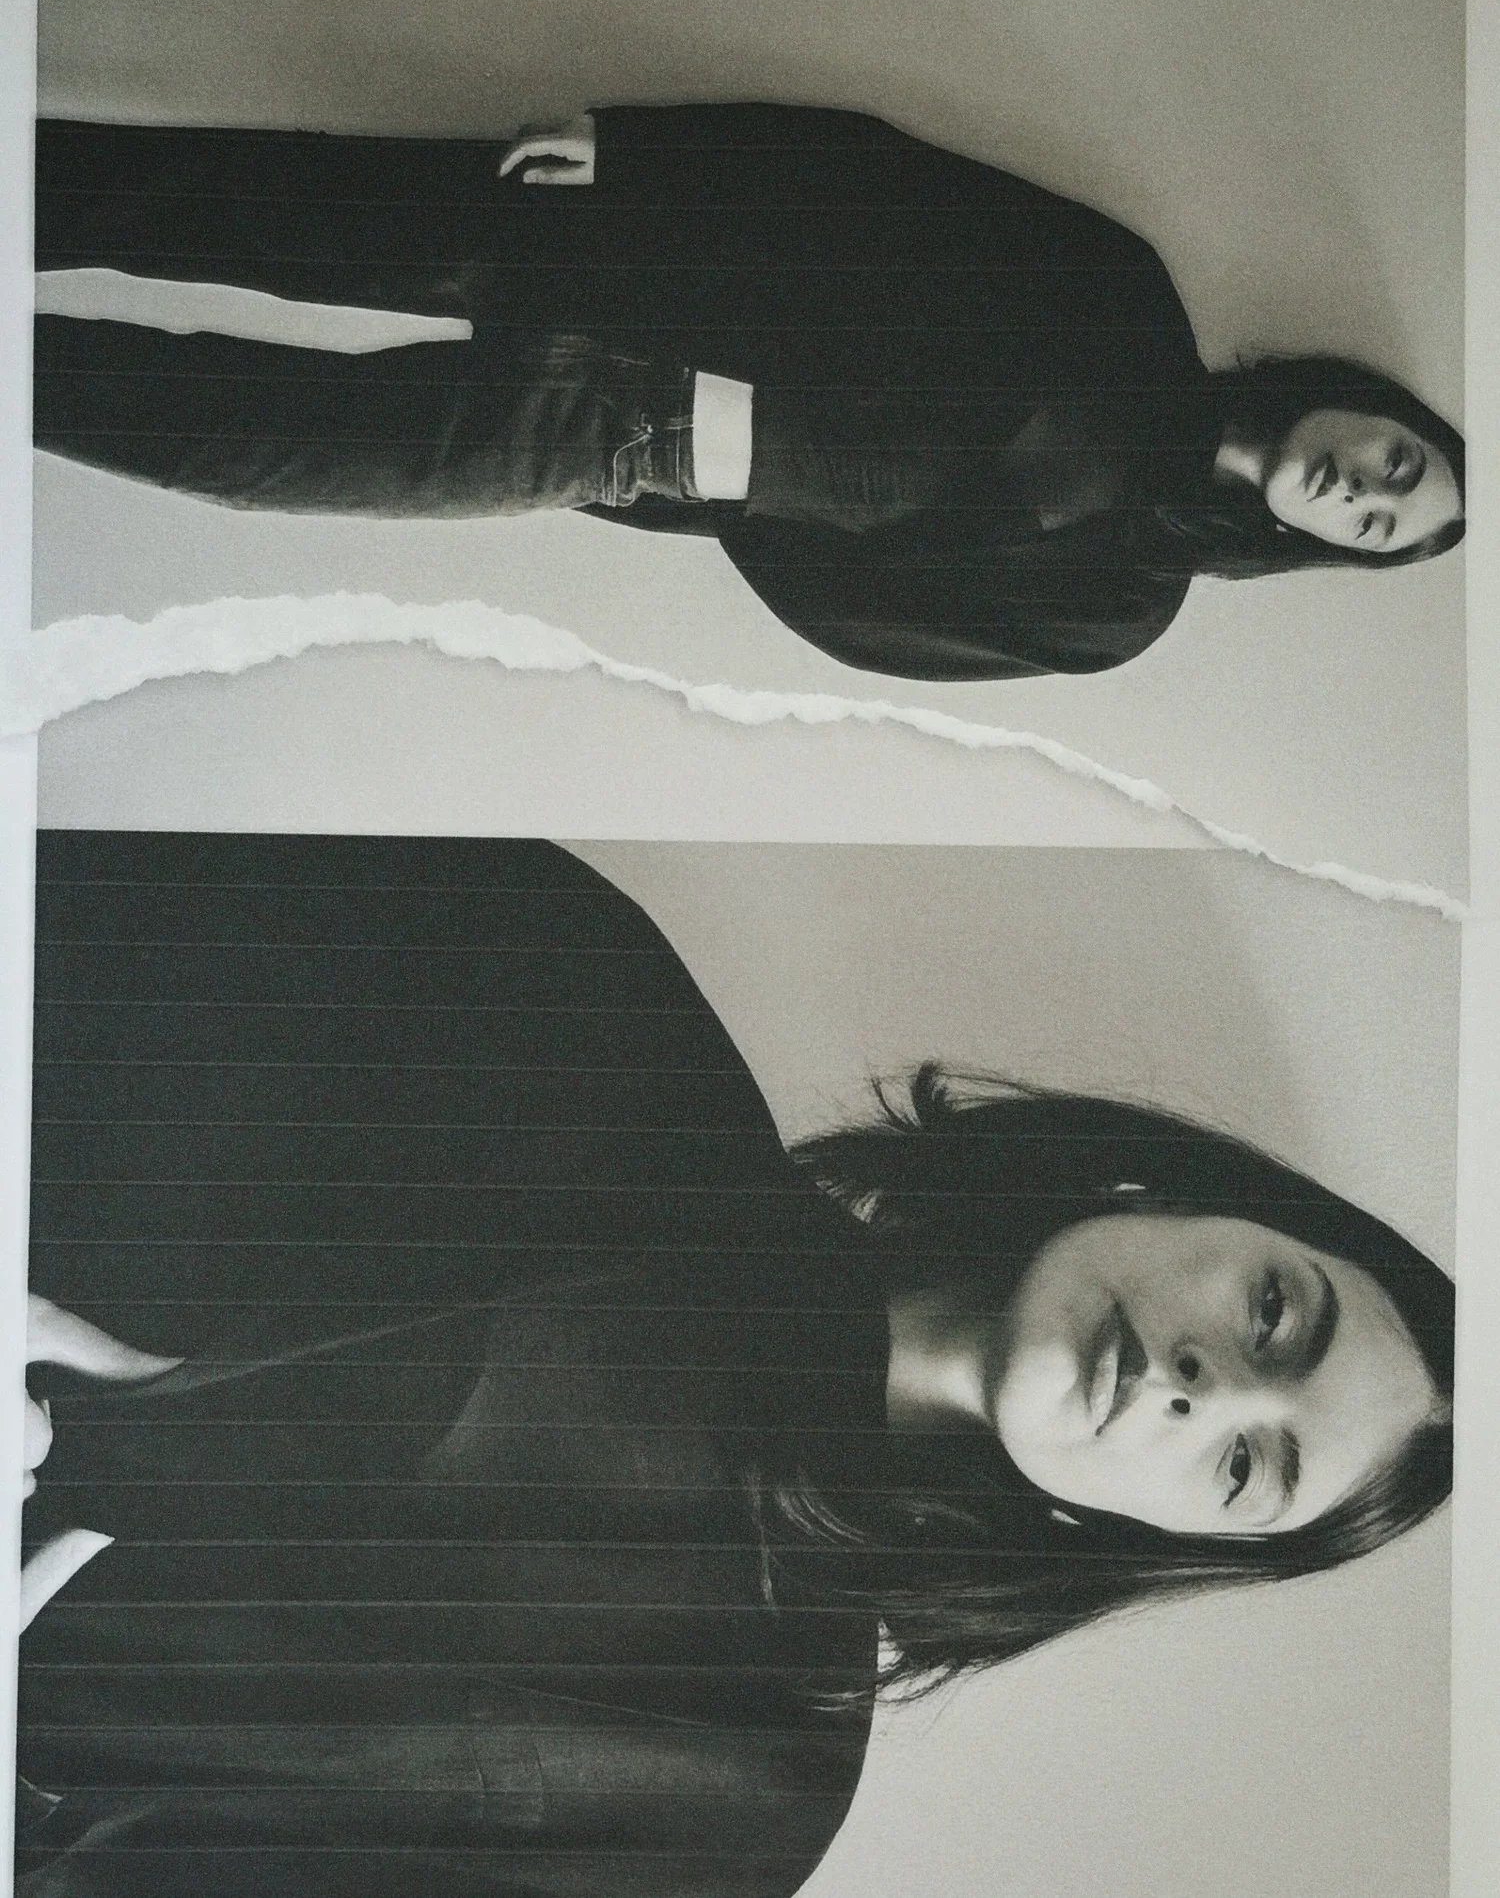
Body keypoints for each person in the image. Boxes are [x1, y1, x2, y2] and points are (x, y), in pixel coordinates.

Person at [17, 835, 1454, 1895]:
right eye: (1278, 1311)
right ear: (1165, 1195)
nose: (1211, 1384)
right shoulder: (562, 975)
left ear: (1148, 1538)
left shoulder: (733, 1798)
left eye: (1245, 1466)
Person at [32, 105, 1466, 681]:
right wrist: (632, 151)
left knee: (265, 452)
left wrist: (722, 473)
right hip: (608, 253)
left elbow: (862, 613)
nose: (1369, 491)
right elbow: (878, 179)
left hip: (613, 439)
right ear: (1361, 404)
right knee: (225, 206)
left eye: (1385, 528)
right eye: (1402, 462)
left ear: (1337, 554)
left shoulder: (1119, 603)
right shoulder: (1126, 290)